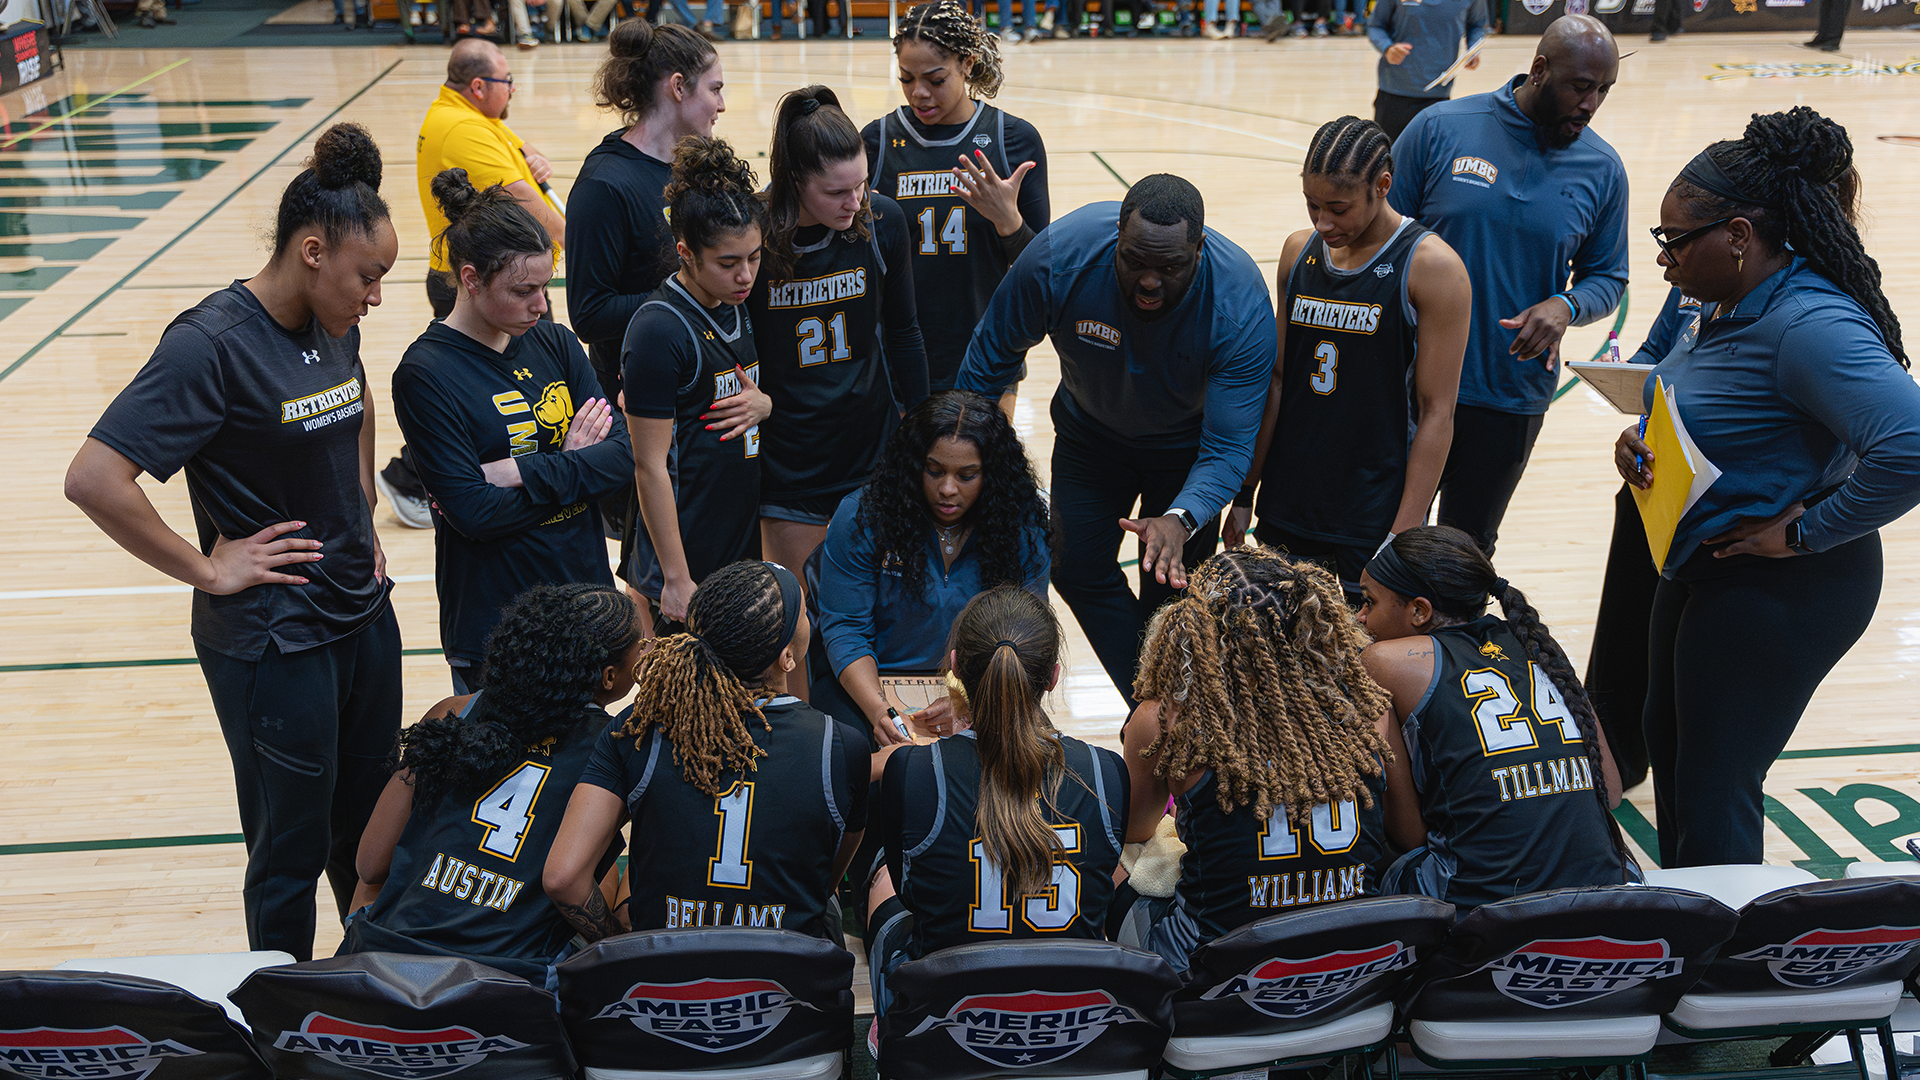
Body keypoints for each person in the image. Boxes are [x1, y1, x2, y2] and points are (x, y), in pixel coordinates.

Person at [64, 123, 400, 961]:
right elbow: (95, 479)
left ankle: (363, 994)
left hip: (361, 618)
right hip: (273, 641)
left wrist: (358, 505)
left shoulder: (334, 321)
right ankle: (280, 1014)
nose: (376, 297)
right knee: (290, 848)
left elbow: (353, 397)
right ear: (313, 251)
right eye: (369, 276)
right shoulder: (209, 345)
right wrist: (209, 568)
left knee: (365, 836)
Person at [1616, 107, 1920, 867]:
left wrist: (1800, 533)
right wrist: (1643, 440)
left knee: (1717, 779)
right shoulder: (1715, 298)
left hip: (1788, 582)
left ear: (1741, 236)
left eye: (1675, 241)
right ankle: (1692, 924)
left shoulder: (1807, 324)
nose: (1664, 259)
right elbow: (1703, 399)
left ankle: (1723, 962)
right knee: (1670, 743)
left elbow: (1911, 445)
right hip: (1706, 560)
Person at [957, 174, 1275, 705]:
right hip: (1090, 439)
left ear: (1201, 248)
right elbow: (988, 362)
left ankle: (1166, 714)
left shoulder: (1238, 303)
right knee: (1075, 571)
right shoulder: (1060, 257)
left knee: (1170, 597)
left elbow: (1228, 448)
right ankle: (1161, 707)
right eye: (1134, 262)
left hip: (1187, 457)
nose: (1149, 282)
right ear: (1116, 242)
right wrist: (967, 458)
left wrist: (1182, 517)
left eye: (1169, 268)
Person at [1388, 15, 1628, 556]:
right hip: (1408, 385)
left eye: (1604, 91)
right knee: (1386, 542)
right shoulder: (1440, 127)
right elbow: (1381, 240)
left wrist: (1566, 306)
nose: (1591, 105)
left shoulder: (1603, 170)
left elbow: (1608, 277)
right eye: (1581, 87)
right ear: (1540, 69)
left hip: (1509, 394)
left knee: (1463, 555)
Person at [392, 171, 629, 693]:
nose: (541, 305)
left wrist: (525, 471)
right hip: (497, 631)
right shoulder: (426, 375)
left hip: (584, 610)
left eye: (545, 286)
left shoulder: (558, 344)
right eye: (523, 291)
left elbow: (620, 459)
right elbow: (474, 513)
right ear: (472, 279)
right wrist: (574, 467)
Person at [544, 562, 869, 942]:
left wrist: (617, 942)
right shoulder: (842, 745)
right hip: (782, 984)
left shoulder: (639, 724)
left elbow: (563, 878)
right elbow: (824, 879)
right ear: (787, 659)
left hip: (662, 987)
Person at [1114, 548, 1401, 975]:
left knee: (1119, 869)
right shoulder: (1367, 707)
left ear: (1195, 631)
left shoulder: (1165, 720)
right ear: (1314, 624)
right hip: (1351, 962)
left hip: (1218, 972)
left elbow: (1136, 830)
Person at [343, 584, 643, 985]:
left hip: (389, 959)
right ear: (610, 677)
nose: (647, 652)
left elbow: (370, 862)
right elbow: (567, 881)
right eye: (641, 648)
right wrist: (614, 940)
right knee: (608, 876)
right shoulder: (616, 749)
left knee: (368, 891)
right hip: (504, 980)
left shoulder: (453, 712)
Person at [1227, 116, 1469, 605]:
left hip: (1374, 509)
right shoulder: (1299, 253)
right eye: (1312, 205)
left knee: (1369, 666)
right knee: (1284, 657)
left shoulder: (1433, 268)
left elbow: (1437, 412)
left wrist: (1403, 535)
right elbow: (1277, 381)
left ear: (1382, 186)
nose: (1322, 223)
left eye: (1338, 208)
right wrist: (1246, 493)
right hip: (1290, 497)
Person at [865, 587, 1130, 1015]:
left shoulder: (912, 770)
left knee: (881, 883)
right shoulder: (1106, 772)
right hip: (1067, 1019)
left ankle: (887, 1035)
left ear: (954, 668)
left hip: (950, 1023)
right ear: (1053, 677)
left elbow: (911, 893)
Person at [1358, 526, 1636, 908]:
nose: (1359, 618)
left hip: (1487, 913)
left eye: (1368, 602)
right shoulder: (1534, 642)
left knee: (1366, 848)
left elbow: (1408, 835)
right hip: (1607, 894)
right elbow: (1613, 790)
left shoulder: (1383, 661)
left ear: (1419, 611)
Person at [380, 38, 569, 532]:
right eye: (508, 82)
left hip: (483, 276)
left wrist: (529, 152)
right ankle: (407, 477)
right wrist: (578, 244)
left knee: (499, 392)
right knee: (487, 393)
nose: (513, 91)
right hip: (483, 281)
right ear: (480, 85)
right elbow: (524, 200)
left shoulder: (461, 114)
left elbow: (511, 147)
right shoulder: (463, 128)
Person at [751, 85, 929, 607]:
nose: (855, 203)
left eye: (863, 185)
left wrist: (920, 429)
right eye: (837, 193)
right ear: (795, 180)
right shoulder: (753, 234)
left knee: (871, 612)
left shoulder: (883, 223)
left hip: (869, 449)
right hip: (788, 463)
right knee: (797, 620)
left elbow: (905, 332)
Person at [568, 22, 725, 583]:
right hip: (650, 417)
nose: (722, 105)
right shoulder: (605, 186)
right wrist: (681, 299)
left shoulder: (699, 167)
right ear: (678, 88)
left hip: (711, 409)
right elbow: (588, 312)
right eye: (715, 88)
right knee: (662, 590)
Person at [814, 391, 1051, 751]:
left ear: (994, 475)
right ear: (912, 464)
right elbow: (845, 627)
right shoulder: (863, 515)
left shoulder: (1022, 525)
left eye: (967, 475)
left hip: (983, 683)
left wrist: (971, 703)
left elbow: (1029, 635)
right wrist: (880, 710)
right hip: (872, 679)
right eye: (934, 470)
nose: (947, 489)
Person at [863, 1, 1049, 406]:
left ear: (966, 63)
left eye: (934, 78)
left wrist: (1009, 223)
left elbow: (1044, 272)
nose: (919, 93)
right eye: (906, 79)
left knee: (981, 468)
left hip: (988, 351)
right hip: (900, 354)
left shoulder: (1012, 139)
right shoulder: (877, 143)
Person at [622, 137, 772, 630]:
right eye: (728, 263)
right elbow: (650, 466)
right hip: (686, 558)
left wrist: (765, 405)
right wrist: (676, 577)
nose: (745, 274)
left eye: (753, 257)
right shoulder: (659, 329)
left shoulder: (735, 301)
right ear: (685, 253)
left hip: (736, 539)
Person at [1580, 287, 1695, 792]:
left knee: (1681, 655)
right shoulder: (1692, 279)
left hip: (1719, 515)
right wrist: (1628, 411)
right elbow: (1654, 363)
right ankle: (1610, 757)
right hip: (1654, 486)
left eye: (1674, 241)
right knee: (1625, 632)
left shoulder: (1803, 307)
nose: (1665, 259)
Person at [1366, 0, 1488, 142]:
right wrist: (1387, 48)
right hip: (1394, 93)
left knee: (1431, 159)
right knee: (1387, 157)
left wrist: (1473, 48)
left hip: (1439, 95)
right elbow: (1376, 26)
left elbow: (1477, 24)